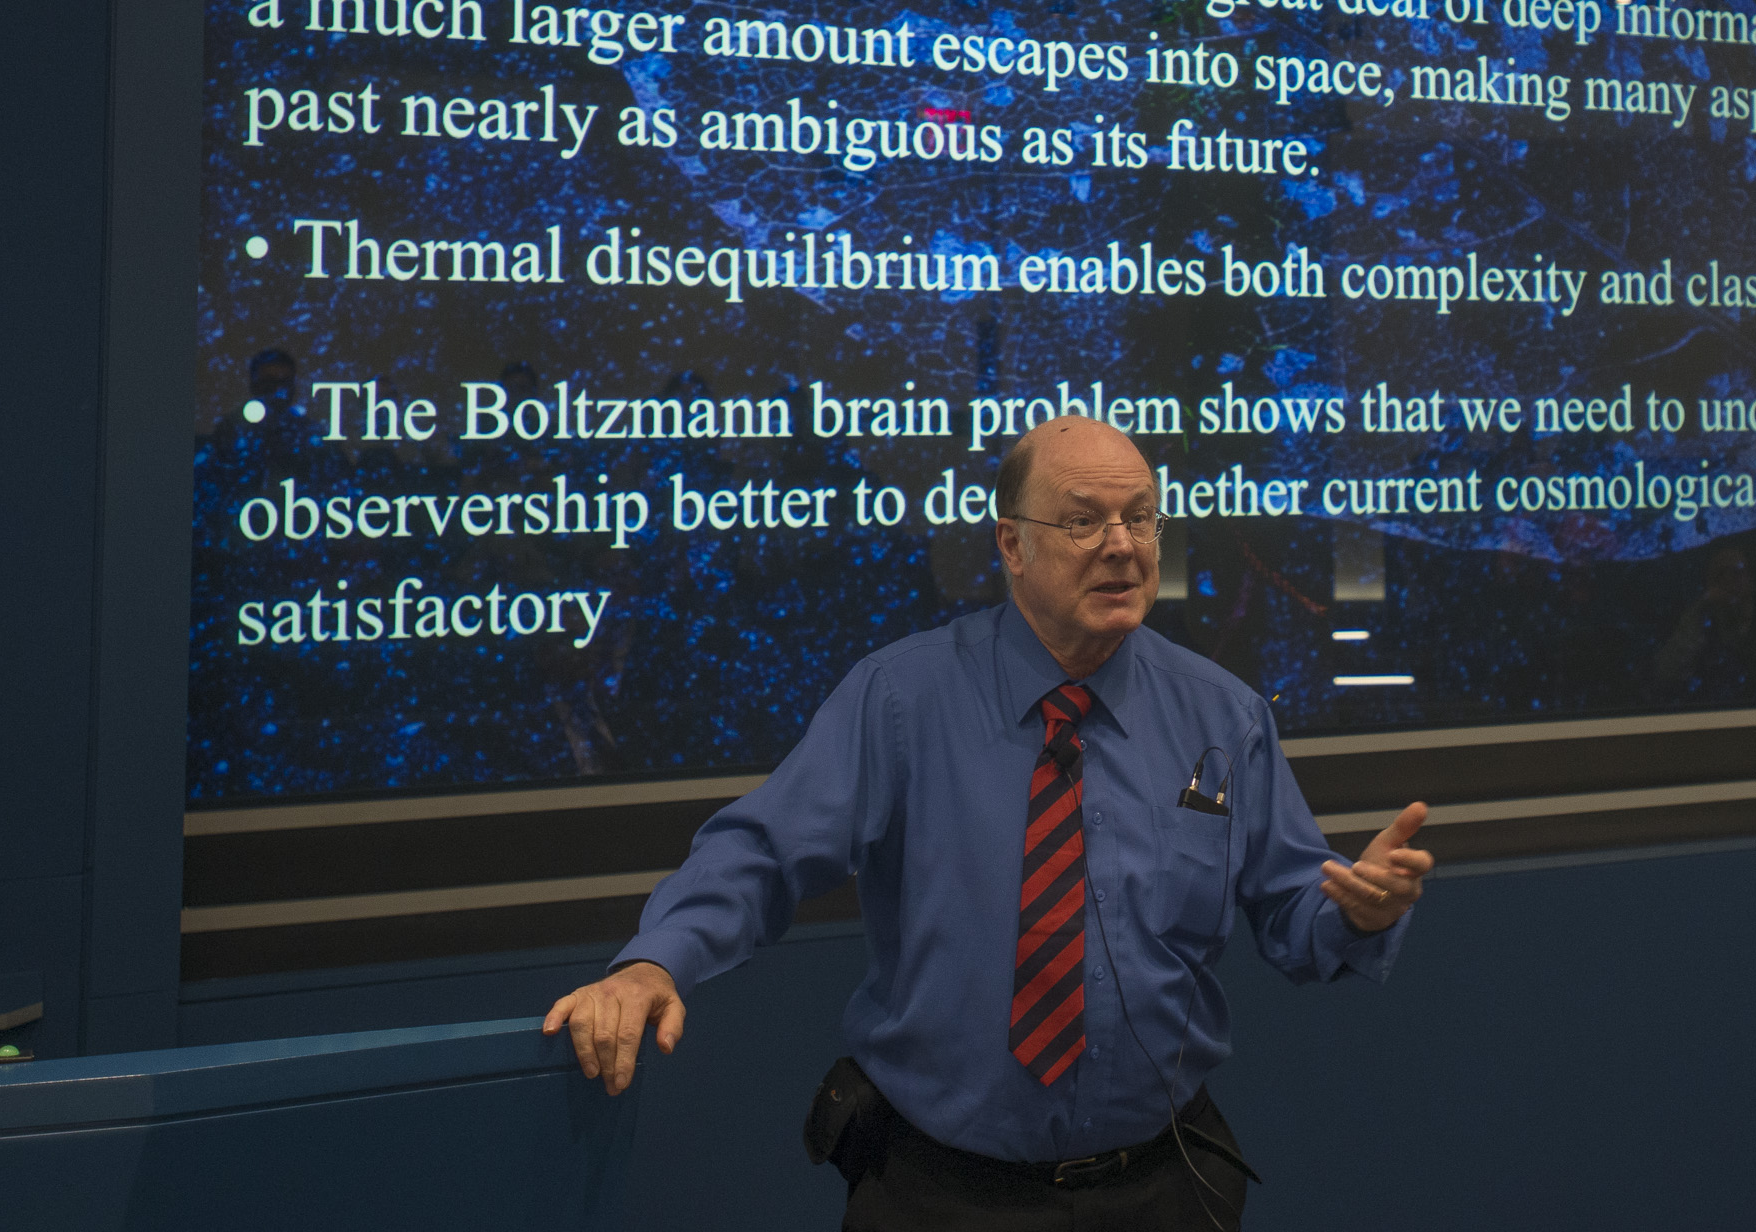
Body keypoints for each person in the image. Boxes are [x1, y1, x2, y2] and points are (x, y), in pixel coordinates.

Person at [543, 415, 1433, 1227]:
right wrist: (655, 960)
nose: (1122, 545)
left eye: (1143, 517)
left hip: (1163, 1190)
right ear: (1011, 543)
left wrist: (1357, 912)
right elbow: (761, 853)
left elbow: (1295, 911)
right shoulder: (903, 699)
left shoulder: (1223, 716)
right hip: (944, 1195)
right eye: (1084, 520)